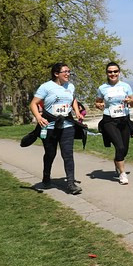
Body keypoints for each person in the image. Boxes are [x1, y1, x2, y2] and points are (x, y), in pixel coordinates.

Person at [30, 63, 84, 194]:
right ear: (56, 74)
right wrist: (38, 117)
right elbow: (33, 103)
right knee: (50, 153)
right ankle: (46, 177)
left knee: (68, 154)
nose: (67, 74)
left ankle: (71, 184)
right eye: (64, 72)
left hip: (67, 126)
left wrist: (76, 111)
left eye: (69, 71)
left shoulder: (70, 86)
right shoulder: (46, 87)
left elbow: (73, 99)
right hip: (50, 127)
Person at [95, 62, 133, 185]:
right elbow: (97, 102)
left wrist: (130, 101)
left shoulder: (126, 86)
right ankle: (122, 174)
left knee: (124, 149)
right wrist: (100, 105)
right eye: (110, 72)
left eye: (115, 71)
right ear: (107, 73)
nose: (113, 74)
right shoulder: (102, 88)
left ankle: (117, 162)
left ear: (119, 72)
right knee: (120, 146)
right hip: (109, 120)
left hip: (124, 119)